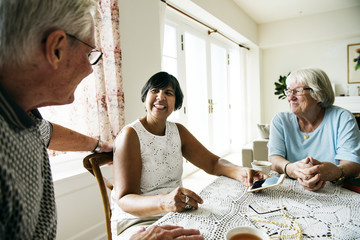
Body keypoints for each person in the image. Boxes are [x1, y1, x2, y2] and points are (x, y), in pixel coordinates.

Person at [0, 1, 200, 239]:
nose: (90, 69)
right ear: (56, 48)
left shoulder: (26, 118)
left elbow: (48, 132)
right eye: (89, 54)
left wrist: (98, 146)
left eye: (169, 93)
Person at [111, 71, 268, 238]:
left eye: (168, 93)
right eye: (154, 90)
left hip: (174, 213)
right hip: (137, 221)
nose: (161, 97)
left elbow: (213, 163)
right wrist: (165, 202)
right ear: (144, 98)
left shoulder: (178, 131)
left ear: (176, 102)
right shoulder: (130, 134)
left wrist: (242, 173)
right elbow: (125, 199)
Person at [268, 68, 360, 191]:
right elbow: (274, 158)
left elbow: (353, 164)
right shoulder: (280, 120)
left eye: (297, 91)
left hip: (334, 190)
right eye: (289, 91)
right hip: (292, 189)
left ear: (318, 95)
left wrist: (336, 171)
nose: (290, 97)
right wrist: (292, 169)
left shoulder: (342, 118)